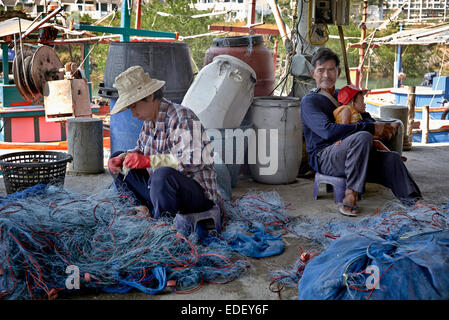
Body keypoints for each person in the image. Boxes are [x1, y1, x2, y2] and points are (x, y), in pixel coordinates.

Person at [300, 48, 422, 217]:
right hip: (325, 157)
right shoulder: (310, 101)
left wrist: (374, 126)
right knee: (363, 136)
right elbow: (328, 132)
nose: (326, 75)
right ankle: (351, 194)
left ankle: (415, 202)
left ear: (338, 72)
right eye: (321, 70)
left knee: (392, 158)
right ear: (313, 73)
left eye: (331, 70)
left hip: (356, 154)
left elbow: (366, 118)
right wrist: (371, 129)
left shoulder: (343, 95)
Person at [107, 66, 217, 219]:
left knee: (162, 175)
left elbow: (193, 161)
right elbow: (140, 151)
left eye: (134, 106)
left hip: (195, 196)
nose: (133, 113)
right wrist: (125, 158)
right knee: (119, 158)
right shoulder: (149, 121)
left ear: (151, 95)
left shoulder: (182, 117)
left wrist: (148, 161)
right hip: (161, 192)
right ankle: (140, 209)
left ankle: (162, 226)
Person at [334, 84, 407, 162]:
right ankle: (394, 156)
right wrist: (340, 138)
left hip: (357, 135)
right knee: (377, 143)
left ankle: (392, 154)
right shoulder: (346, 110)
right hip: (348, 138)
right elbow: (344, 127)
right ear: (352, 103)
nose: (364, 104)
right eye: (362, 101)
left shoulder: (358, 113)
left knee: (378, 138)